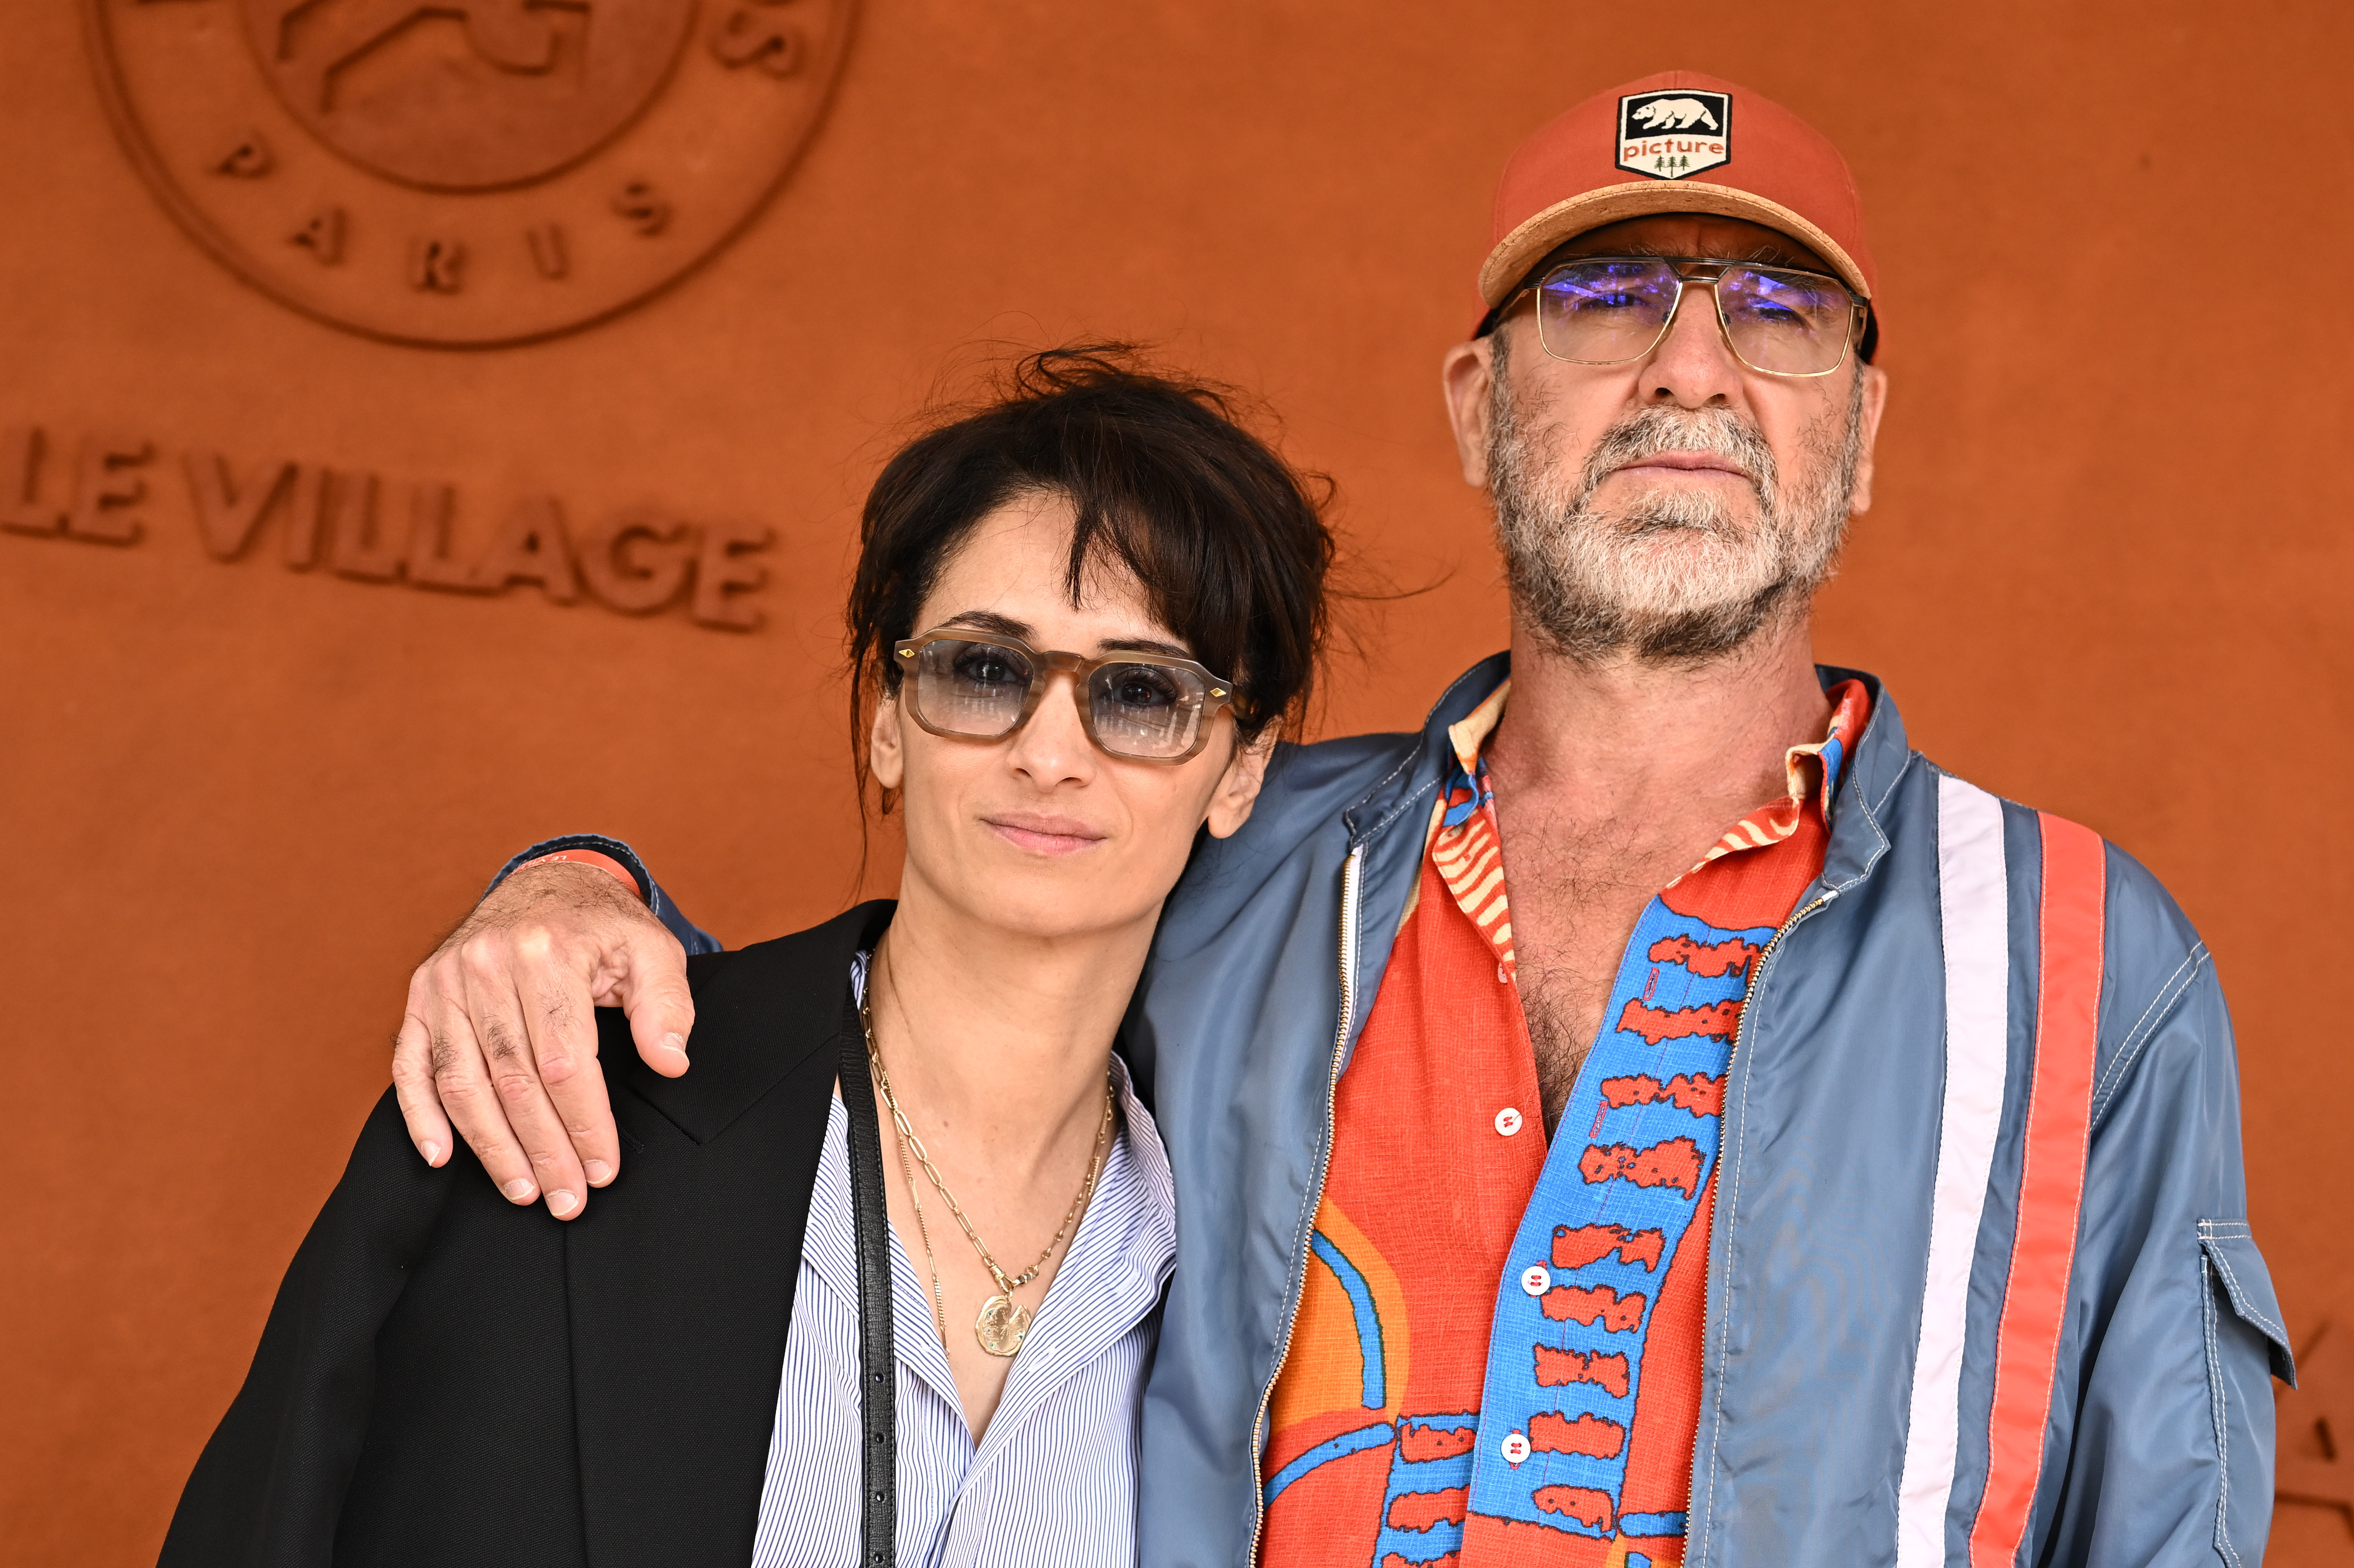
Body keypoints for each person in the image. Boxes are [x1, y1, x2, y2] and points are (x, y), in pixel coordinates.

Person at [388, 72, 2291, 1568]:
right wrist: (568, 892)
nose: (1687, 369)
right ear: (1473, 406)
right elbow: (877, 1040)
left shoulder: (2076, 956)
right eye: (1604, 296)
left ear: (1859, 429)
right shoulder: (1241, 852)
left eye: (1775, 312)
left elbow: (2167, 1522)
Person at [159, 351, 1336, 1566]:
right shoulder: (555, 1093)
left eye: (1140, 693)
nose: (1050, 751)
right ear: (887, 717)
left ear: (1237, 768)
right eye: (984, 669)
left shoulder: (1267, 1243)